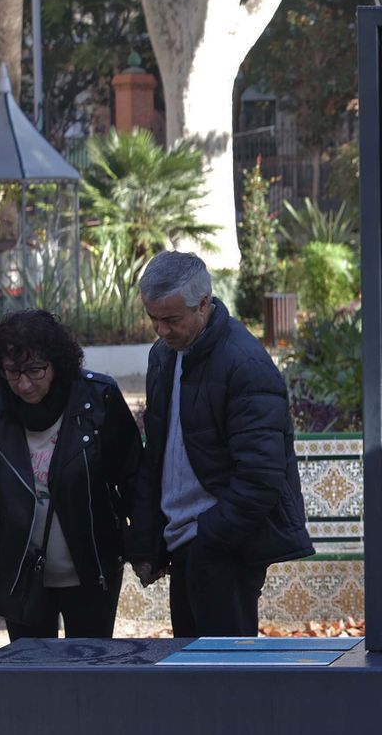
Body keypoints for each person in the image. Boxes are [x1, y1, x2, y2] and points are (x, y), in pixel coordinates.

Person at [127, 250, 313, 636]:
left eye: (171, 320)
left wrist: (210, 538)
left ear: (204, 305)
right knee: (192, 676)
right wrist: (148, 540)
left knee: (227, 683)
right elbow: (157, 455)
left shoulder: (245, 364)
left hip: (223, 545)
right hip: (187, 543)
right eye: (153, 319)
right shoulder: (164, 357)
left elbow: (261, 476)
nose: (161, 331)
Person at [0, 310, 141, 639]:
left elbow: (135, 478)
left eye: (35, 371)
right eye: (12, 372)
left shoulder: (98, 399)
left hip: (93, 570)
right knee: (31, 680)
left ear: (57, 363)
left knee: (89, 673)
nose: (24, 384)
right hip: (19, 572)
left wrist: (144, 549)